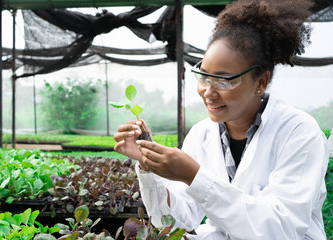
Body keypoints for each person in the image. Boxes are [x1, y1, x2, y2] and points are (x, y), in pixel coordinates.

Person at [113, 0, 329, 239]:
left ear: (261, 82)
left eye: (224, 80)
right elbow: (176, 220)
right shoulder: (202, 133)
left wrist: (193, 175)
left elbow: (279, 229)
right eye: (204, 76)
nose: (208, 91)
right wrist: (148, 165)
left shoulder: (299, 133)